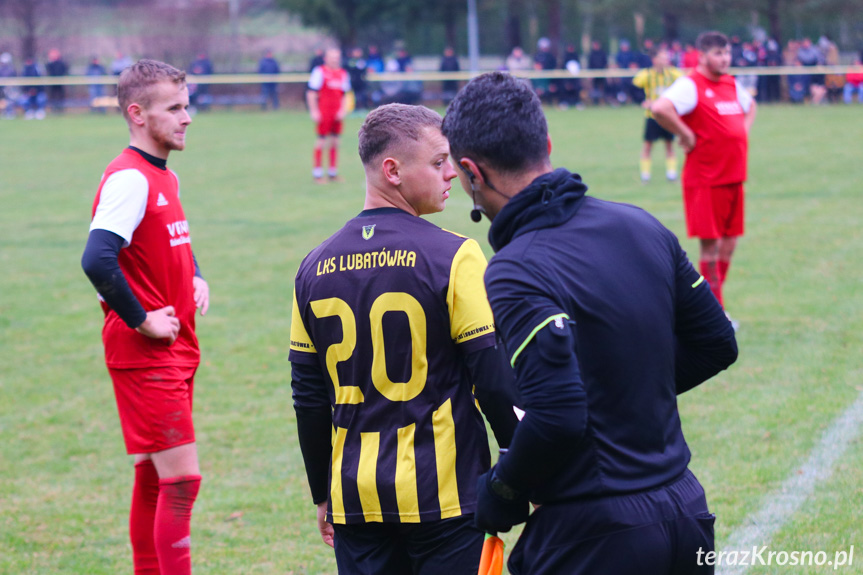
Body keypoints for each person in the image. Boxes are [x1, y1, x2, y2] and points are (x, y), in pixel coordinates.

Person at [440, 70, 738, 575]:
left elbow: (559, 416)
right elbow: (717, 343)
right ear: (547, 144)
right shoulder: (641, 224)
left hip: (594, 535)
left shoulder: (514, 269)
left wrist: (501, 489)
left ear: (472, 172)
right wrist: (626, 397)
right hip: (687, 515)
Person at [290, 103, 519, 574]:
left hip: (355, 497)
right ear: (392, 170)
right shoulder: (456, 256)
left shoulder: (312, 268)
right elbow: (494, 381)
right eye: (438, 162)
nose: (452, 173)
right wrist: (524, 472)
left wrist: (322, 494)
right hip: (447, 496)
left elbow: (309, 399)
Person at [80, 59, 208, 575]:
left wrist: (194, 273)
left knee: (154, 477)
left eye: (186, 104)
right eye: (174, 108)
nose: (187, 117)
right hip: (147, 352)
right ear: (138, 114)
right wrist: (142, 319)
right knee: (181, 482)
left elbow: (168, 238)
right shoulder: (130, 178)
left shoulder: (162, 176)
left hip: (174, 349)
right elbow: (97, 256)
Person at [652, 31, 757, 323]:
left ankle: (711, 304)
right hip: (706, 179)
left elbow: (751, 107)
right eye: (717, 54)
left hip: (734, 177)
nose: (724, 59)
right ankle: (715, 312)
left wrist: (742, 133)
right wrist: (685, 133)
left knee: (730, 243)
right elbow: (660, 108)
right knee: (709, 247)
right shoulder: (691, 85)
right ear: (702, 56)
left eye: (726, 53)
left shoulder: (730, 83)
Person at [632, 46, 683, 182]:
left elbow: (683, 87)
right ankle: (645, 176)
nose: (666, 59)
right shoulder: (646, 75)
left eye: (666, 56)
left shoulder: (674, 74)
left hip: (668, 116)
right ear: (654, 59)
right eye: (662, 56)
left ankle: (671, 175)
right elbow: (634, 87)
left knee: (669, 145)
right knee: (648, 145)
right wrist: (642, 101)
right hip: (652, 116)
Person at [307, 48, 351, 183]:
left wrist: (343, 110)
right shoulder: (319, 72)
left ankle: (333, 173)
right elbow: (311, 93)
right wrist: (314, 111)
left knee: (335, 141)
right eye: (332, 57)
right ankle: (318, 174)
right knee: (321, 141)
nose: (335, 59)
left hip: (337, 112)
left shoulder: (343, 73)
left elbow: (345, 94)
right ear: (326, 58)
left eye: (337, 57)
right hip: (324, 111)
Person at [45, 48, 69, 113]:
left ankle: (60, 109)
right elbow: (49, 71)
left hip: (60, 83)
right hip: (53, 83)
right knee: (53, 96)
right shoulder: (50, 64)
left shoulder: (61, 63)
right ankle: (54, 109)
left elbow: (64, 70)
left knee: (60, 96)